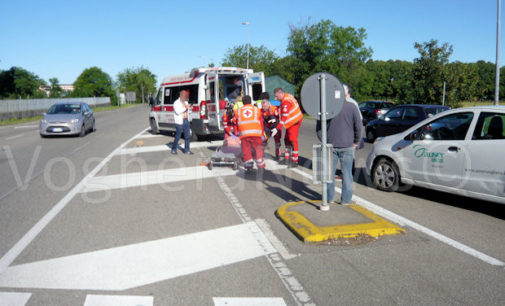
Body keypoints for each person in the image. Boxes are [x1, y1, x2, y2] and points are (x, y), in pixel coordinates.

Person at [319, 91, 362, 210]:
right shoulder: (352, 106)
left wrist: (323, 140)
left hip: (330, 145)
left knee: (329, 173)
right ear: (345, 95)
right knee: (347, 174)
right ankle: (346, 200)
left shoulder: (327, 107)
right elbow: (358, 126)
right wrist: (356, 142)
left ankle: (329, 198)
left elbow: (319, 127)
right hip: (347, 145)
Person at [233, 95, 266, 173]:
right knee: (258, 150)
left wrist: (236, 134)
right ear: (250, 101)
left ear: (242, 102)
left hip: (244, 134)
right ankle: (261, 166)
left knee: (246, 151)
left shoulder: (238, 111)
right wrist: (262, 134)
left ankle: (248, 168)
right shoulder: (257, 110)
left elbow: (235, 122)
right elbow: (261, 122)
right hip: (256, 133)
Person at [271, 88, 303, 168]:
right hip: (291, 122)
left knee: (292, 140)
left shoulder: (286, 101)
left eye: (276, 96)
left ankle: (295, 161)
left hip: (294, 122)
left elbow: (284, 118)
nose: (276, 98)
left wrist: (277, 128)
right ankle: (287, 158)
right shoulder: (287, 97)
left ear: (281, 94)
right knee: (287, 140)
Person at [260, 92, 281, 160]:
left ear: (268, 102)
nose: (263, 106)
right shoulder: (261, 110)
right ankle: (261, 153)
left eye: (264, 104)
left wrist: (276, 125)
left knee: (277, 141)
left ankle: (278, 155)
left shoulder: (274, 108)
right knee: (263, 140)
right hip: (267, 128)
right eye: (262, 104)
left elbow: (279, 118)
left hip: (275, 127)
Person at [171, 89, 193, 155]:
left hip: (186, 120)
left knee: (187, 136)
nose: (185, 96)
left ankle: (187, 150)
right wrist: (186, 108)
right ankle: (174, 149)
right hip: (179, 121)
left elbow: (188, 111)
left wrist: (190, 109)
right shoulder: (176, 103)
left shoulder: (186, 102)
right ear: (181, 95)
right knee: (178, 136)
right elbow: (178, 112)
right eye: (184, 95)